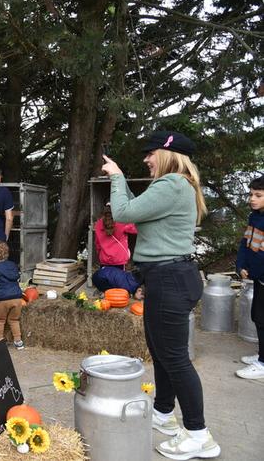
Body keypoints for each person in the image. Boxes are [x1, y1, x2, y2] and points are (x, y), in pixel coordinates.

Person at [102, 130, 220, 460]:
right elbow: (135, 209)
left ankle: (199, 434)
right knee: (163, 352)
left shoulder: (171, 184)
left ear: (167, 155)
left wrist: (117, 177)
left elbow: (123, 214)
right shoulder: (173, 186)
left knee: (175, 358)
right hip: (166, 277)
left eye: (150, 153)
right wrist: (121, 179)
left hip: (170, 279)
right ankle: (164, 413)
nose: (146, 159)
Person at [235, 175, 264, 380]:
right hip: (258, 278)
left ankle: (263, 364)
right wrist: (241, 265)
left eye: (258, 195)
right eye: (251, 194)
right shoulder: (254, 217)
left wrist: (255, 271)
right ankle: (262, 355)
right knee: (258, 317)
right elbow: (246, 244)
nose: (252, 199)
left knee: (262, 318)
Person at [92, 203, 142, 297]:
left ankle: (107, 294)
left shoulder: (98, 224)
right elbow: (137, 229)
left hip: (104, 259)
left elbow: (97, 244)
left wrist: (101, 255)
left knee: (105, 279)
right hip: (119, 260)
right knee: (119, 282)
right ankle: (118, 296)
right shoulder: (122, 222)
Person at [0, 240, 24, 350]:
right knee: (14, 320)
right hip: (17, 298)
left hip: (2, 299)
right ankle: (18, 342)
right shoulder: (12, 265)